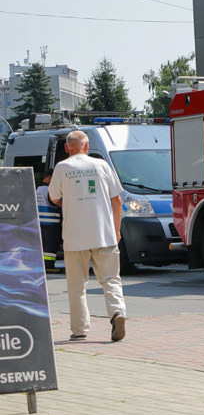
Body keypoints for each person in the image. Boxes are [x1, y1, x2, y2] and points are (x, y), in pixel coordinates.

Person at [49, 130, 127, 342]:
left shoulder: (62, 167)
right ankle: (117, 313)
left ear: (67, 148)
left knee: (76, 286)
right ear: (87, 146)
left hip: (75, 238)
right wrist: (116, 229)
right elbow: (117, 200)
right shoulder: (101, 165)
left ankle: (80, 329)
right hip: (104, 234)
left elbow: (53, 197)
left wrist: (69, 202)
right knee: (111, 279)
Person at [35, 171, 63, 273]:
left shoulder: (38, 189)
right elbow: (56, 202)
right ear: (49, 178)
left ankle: (42, 265)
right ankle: (49, 266)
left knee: (43, 245)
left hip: (39, 222)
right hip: (51, 223)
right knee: (51, 246)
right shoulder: (51, 190)